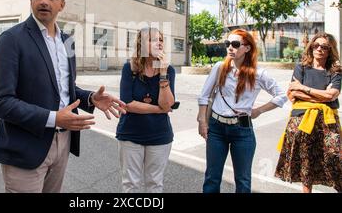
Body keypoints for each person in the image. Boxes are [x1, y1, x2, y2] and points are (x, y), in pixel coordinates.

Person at [0, 0, 126, 193]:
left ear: (61, 4)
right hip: (26, 147)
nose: (44, 0)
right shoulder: (12, 40)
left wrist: (89, 98)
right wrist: (53, 118)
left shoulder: (67, 41)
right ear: (31, 1)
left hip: (63, 142)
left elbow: (63, 89)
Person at [197, 29, 287, 193]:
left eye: (235, 44)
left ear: (247, 48)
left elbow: (281, 96)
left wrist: (259, 110)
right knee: (212, 177)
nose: (230, 47)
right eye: (227, 44)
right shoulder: (219, 67)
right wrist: (203, 122)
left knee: (243, 181)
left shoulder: (259, 74)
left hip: (242, 131)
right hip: (216, 128)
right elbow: (203, 97)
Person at [275, 32, 341, 193]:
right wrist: (322, 96)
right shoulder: (301, 68)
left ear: (330, 50)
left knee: (335, 160)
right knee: (306, 163)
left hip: (327, 123)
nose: (319, 49)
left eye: (324, 47)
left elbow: (331, 95)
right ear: (311, 47)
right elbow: (292, 94)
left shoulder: (335, 71)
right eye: (315, 45)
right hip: (301, 122)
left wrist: (304, 88)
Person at [116, 27, 175, 193]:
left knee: (155, 184)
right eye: (153, 39)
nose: (159, 43)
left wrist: (163, 73)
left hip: (159, 135)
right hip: (130, 134)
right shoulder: (130, 68)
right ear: (142, 45)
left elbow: (168, 104)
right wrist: (158, 110)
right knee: (131, 184)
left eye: (161, 40)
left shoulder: (168, 70)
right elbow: (127, 104)